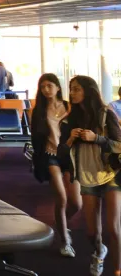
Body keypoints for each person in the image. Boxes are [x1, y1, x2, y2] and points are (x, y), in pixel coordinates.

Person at [63, 75, 121, 276]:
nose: (72, 93)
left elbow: (119, 144)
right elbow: (62, 151)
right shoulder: (71, 118)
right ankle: (99, 252)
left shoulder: (106, 114)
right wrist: (70, 138)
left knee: (113, 228)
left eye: (77, 89)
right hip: (87, 176)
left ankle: (117, 269)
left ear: (88, 90)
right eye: (71, 89)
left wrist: (97, 138)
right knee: (91, 233)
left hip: (111, 173)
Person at [30, 73, 81, 258]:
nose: (46, 89)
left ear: (58, 87)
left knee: (76, 203)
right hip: (50, 156)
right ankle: (65, 241)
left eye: (49, 85)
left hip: (69, 156)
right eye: (42, 86)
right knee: (61, 197)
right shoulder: (38, 111)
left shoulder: (69, 107)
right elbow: (36, 138)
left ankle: (62, 225)